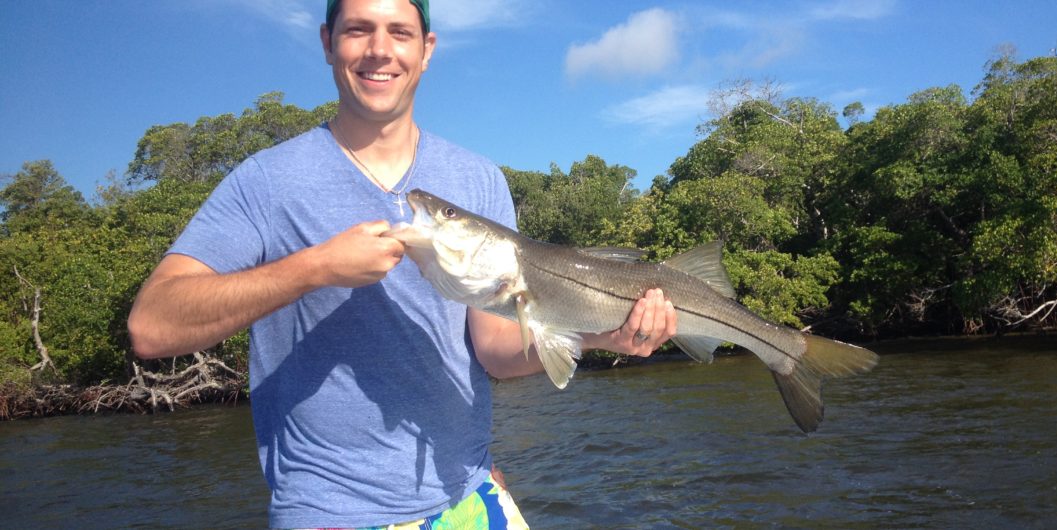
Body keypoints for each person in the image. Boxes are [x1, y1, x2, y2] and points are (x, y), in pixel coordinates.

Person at [127, 0, 678, 528]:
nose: (379, 51)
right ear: (327, 43)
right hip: (328, 514)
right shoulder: (266, 181)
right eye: (357, 29)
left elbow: (494, 351)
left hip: (469, 494)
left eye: (399, 32)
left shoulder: (478, 178)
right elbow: (151, 325)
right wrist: (313, 268)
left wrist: (605, 335)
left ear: (427, 48)